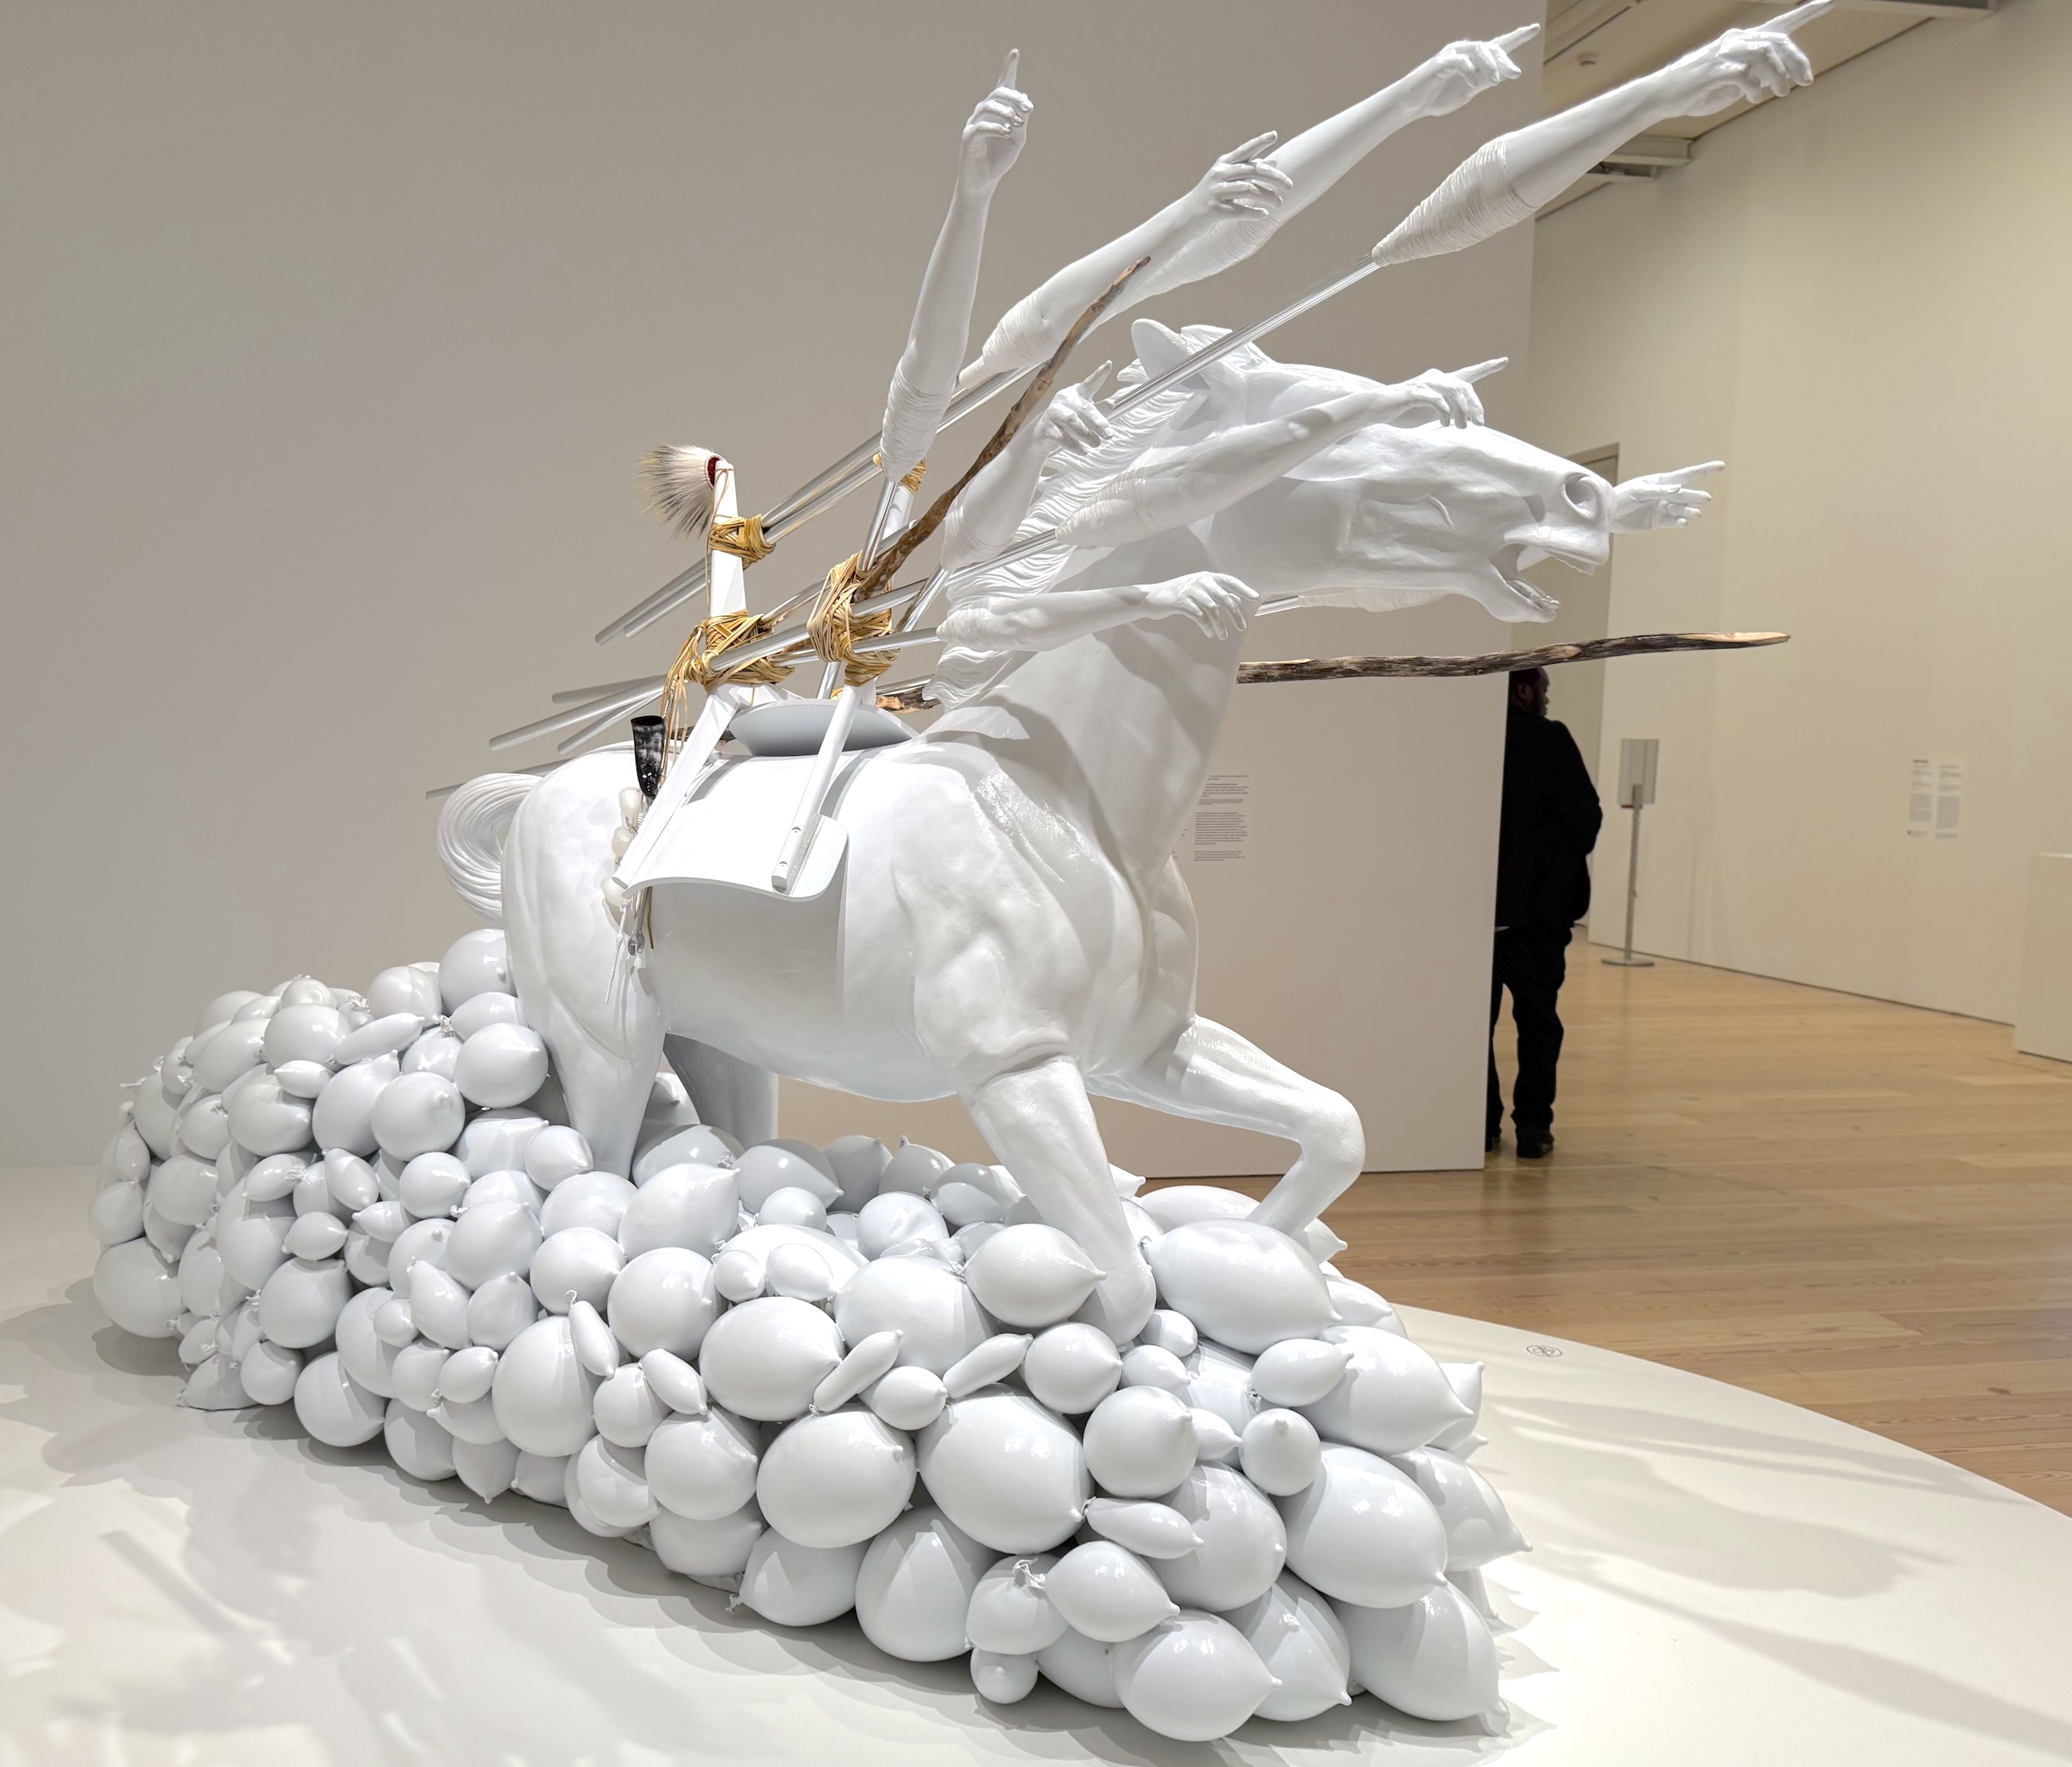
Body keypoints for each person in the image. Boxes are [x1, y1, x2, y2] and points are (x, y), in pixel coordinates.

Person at [1489, 667, 1602, 1159]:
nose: (1547, 698)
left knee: (1475, 1026)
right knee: (1538, 1023)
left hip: (1481, 913)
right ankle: (1534, 1128)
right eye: (1544, 690)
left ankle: (1481, 1125)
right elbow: (1586, 820)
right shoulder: (1550, 739)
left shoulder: (1473, 740)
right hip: (1541, 915)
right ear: (1524, 690)